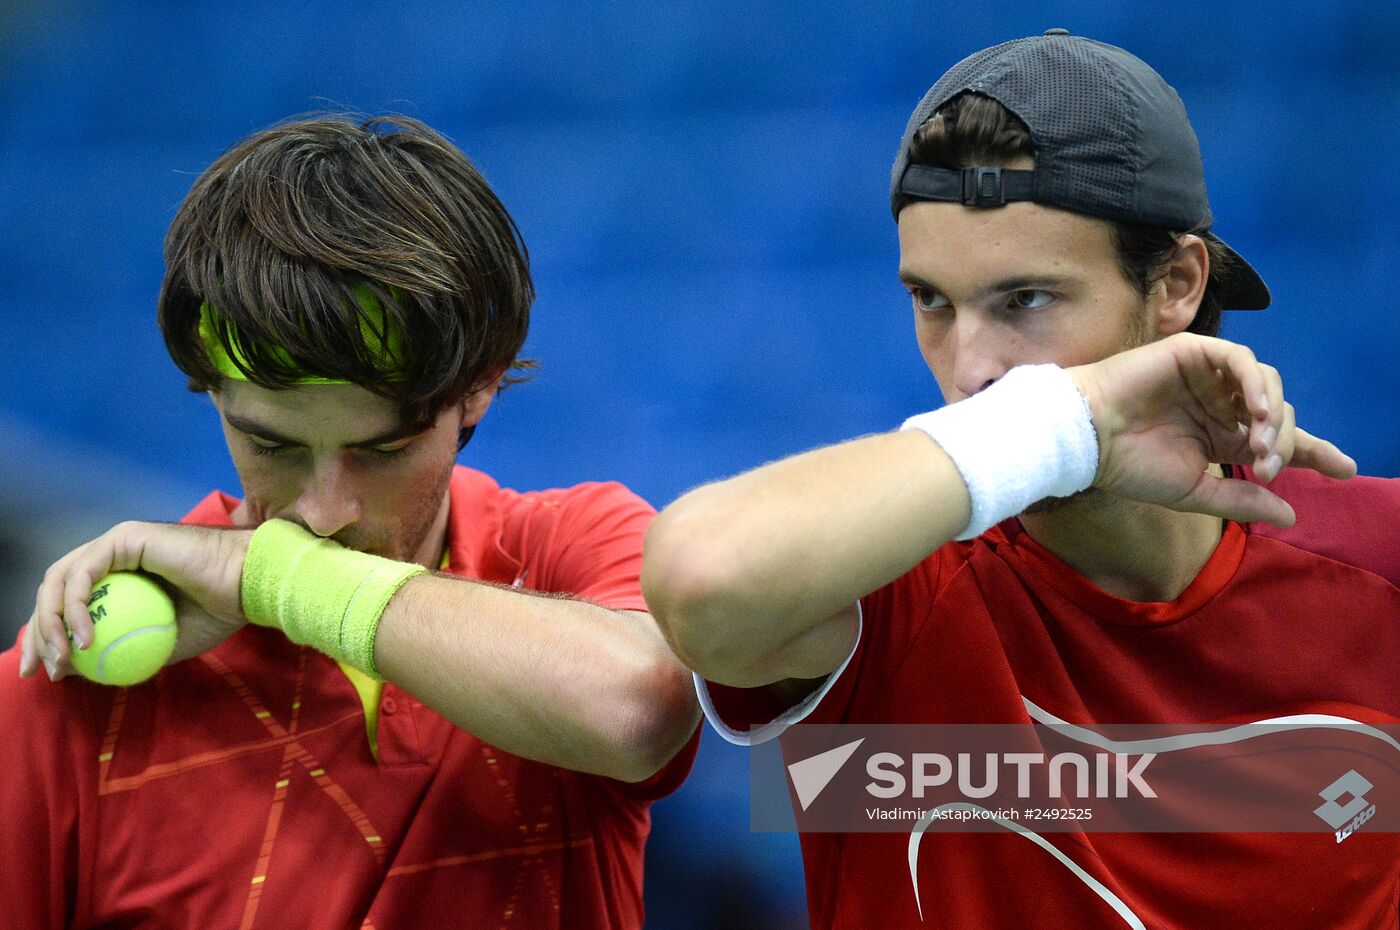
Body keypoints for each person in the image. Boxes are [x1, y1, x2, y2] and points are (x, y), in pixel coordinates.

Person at [643, 31, 1400, 929]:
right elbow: (701, 580)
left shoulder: (1378, 561)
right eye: (932, 300)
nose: (971, 368)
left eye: (1026, 300)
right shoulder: (882, 585)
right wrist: (1062, 424)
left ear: (1177, 283)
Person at [2, 114, 700, 929]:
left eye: (383, 449)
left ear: (480, 388)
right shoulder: (71, 687)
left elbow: (640, 712)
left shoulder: (567, 549)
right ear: (211, 393)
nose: (323, 510)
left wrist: (275, 578)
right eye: (272, 445)